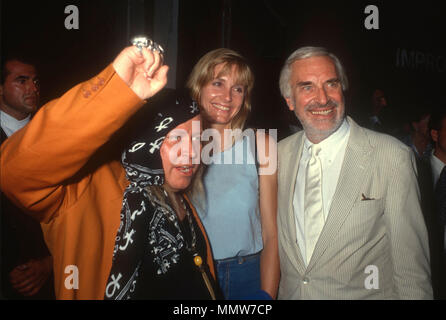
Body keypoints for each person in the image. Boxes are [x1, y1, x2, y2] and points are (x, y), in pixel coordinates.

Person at [0, 43, 220, 299]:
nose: (192, 152)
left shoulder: (179, 200)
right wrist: (117, 92)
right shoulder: (86, 189)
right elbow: (17, 172)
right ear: (148, 142)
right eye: (176, 138)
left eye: (197, 139)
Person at [276, 46, 432, 299]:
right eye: (307, 87)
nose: (323, 98)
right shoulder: (277, 156)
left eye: (331, 84)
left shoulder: (391, 156)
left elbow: (411, 270)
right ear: (289, 100)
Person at [187, 49, 279, 299]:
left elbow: (271, 234)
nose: (227, 96)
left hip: (247, 275)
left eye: (238, 88)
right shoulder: (181, 144)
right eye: (218, 83)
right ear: (198, 87)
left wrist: (266, 296)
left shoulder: (262, 145)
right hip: (192, 273)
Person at [0, 56, 54, 299]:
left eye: (35, 81)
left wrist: (51, 263)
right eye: (21, 81)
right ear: (0, 88)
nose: (33, 88)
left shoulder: (57, 134)